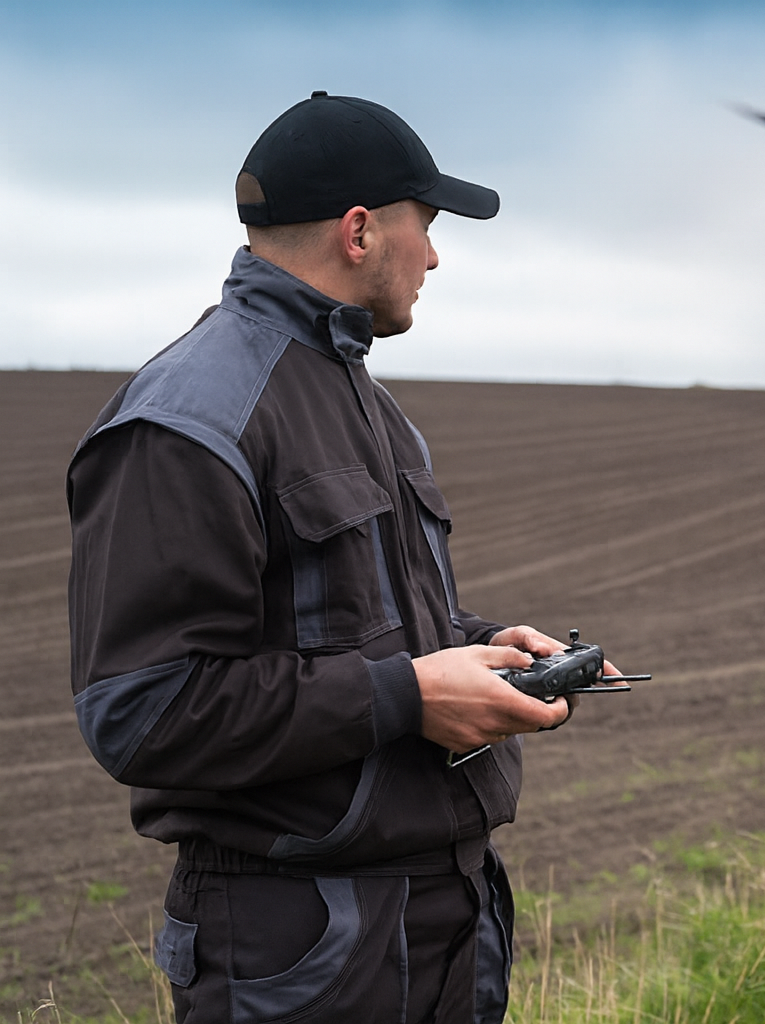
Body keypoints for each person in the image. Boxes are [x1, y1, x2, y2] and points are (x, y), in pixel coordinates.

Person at [66, 92, 612, 1024]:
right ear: (360, 230)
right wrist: (411, 693)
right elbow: (144, 709)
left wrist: (478, 647)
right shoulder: (192, 418)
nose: (435, 256)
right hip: (302, 955)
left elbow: (353, 621)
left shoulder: (358, 395)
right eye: (427, 226)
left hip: (445, 922)